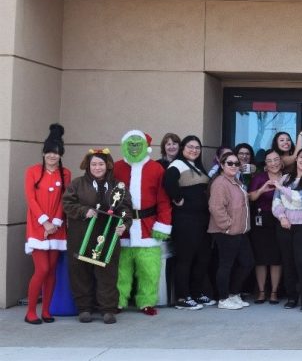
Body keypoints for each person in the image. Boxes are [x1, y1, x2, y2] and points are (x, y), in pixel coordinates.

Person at [64, 149, 134, 324]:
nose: (97, 167)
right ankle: (84, 308)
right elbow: (67, 203)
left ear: (108, 165)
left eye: (101, 164)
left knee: (107, 273)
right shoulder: (77, 184)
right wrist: (83, 211)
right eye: (94, 164)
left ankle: (108, 309)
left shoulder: (119, 186)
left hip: (108, 237)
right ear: (88, 166)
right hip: (81, 236)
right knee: (81, 272)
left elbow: (125, 209)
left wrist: (124, 224)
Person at [113, 130, 171, 316]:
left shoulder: (156, 169)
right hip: (123, 227)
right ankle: (118, 301)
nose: (135, 148)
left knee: (149, 270)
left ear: (145, 147)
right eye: (131, 144)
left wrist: (163, 224)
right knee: (121, 269)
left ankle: (147, 301)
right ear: (124, 145)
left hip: (148, 226)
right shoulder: (116, 168)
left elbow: (163, 200)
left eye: (138, 144)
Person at [24, 124, 71, 325]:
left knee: (51, 270)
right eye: (49, 152)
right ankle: (30, 311)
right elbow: (30, 199)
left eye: (57, 153)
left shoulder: (65, 173)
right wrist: (45, 222)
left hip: (57, 228)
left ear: (61, 155)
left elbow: (65, 199)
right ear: (43, 153)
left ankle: (46, 310)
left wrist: (57, 222)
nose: (53, 156)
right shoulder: (32, 171)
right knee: (41, 269)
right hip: (38, 227)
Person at [163, 135, 214, 310]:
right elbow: (168, 182)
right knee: (185, 259)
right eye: (190, 147)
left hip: (201, 220)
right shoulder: (177, 165)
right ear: (183, 148)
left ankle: (196, 292)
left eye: (197, 147)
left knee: (202, 257)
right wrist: (178, 200)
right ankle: (182, 297)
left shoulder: (197, 166)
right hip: (185, 221)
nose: (194, 150)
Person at [273, 147, 302, 312]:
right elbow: (276, 202)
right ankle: (292, 297)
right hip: (285, 225)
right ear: (296, 158)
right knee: (288, 262)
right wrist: (282, 217)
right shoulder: (285, 178)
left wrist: (283, 189)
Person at [208, 151, 253, 310]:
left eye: (236, 163)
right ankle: (223, 298)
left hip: (240, 231)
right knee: (226, 265)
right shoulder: (220, 183)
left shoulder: (236, 181)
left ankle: (234, 293)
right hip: (225, 232)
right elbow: (216, 207)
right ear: (221, 165)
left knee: (247, 263)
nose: (234, 166)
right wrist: (227, 225)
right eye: (230, 163)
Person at [248, 151, 284, 304]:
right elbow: (250, 197)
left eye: (276, 159)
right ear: (266, 164)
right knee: (261, 258)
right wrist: (262, 189)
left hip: (281, 220)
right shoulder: (259, 178)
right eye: (269, 161)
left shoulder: (287, 177)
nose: (273, 163)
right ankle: (262, 292)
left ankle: (274, 292)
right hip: (262, 220)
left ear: (281, 162)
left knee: (276, 258)